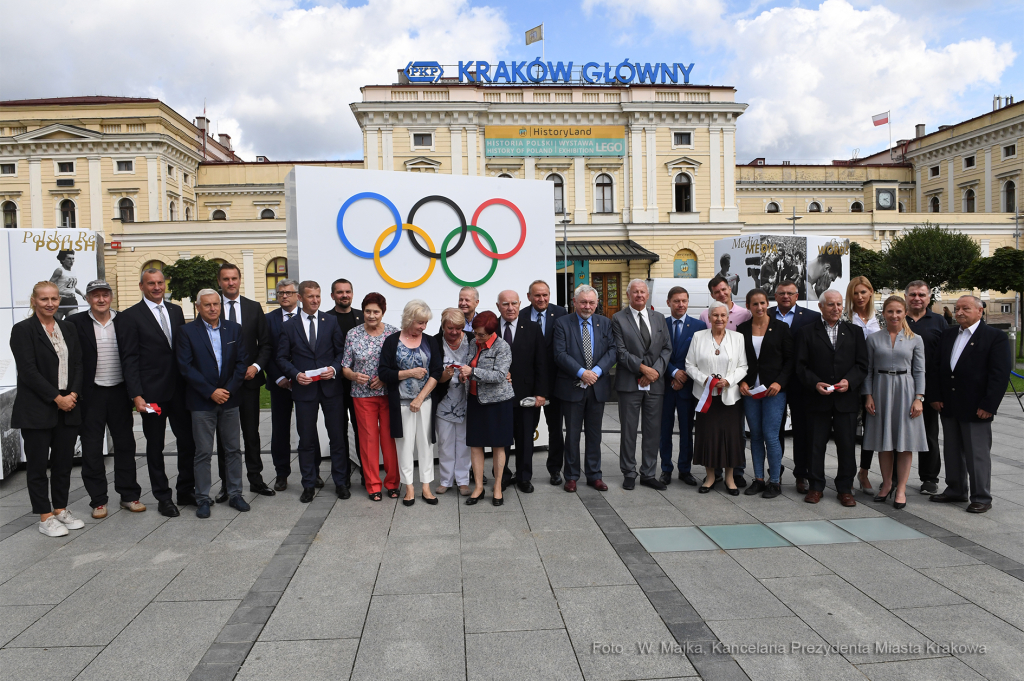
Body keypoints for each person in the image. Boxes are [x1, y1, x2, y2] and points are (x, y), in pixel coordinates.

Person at [117, 267, 196, 517]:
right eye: (151, 283)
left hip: (181, 391)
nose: (157, 287)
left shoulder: (175, 310)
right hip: (152, 394)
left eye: (160, 282)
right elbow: (129, 359)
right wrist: (136, 395)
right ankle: (163, 497)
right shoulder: (130, 316)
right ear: (142, 286)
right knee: (155, 446)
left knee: (188, 442)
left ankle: (185, 489)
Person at [10, 282, 86, 537]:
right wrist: (56, 397)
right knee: (38, 466)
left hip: (69, 406)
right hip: (38, 409)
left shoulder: (68, 327)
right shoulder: (22, 330)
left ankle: (61, 509)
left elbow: (78, 363)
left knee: (64, 464)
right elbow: (28, 371)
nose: (50, 303)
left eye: (54, 298)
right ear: (34, 301)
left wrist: (73, 394)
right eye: (44, 299)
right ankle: (44, 516)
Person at [927, 295, 1012, 513]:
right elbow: (936, 368)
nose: (960, 312)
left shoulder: (994, 337)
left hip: (977, 407)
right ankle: (956, 489)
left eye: (965, 308)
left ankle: (981, 496)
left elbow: (999, 375)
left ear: (980, 311)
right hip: (949, 404)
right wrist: (935, 396)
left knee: (977, 454)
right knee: (952, 451)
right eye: (957, 309)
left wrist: (989, 405)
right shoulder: (948, 335)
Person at [67, 280, 144, 518]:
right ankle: (98, 500)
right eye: (95, 295)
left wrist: (136, 393)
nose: (101, 299)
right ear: (88, 298)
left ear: (111, 297)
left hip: (119, 393)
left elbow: (133, 358)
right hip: (91, 395)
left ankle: (129, 495)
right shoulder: (74, 323)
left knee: (125, 446)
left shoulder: (124, 321)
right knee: (91, 449)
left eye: (105, 295)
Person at [177, 289, 250, 518]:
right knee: (203, 452)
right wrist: (210, 392)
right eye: (207, 305)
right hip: (201, 401)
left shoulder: (234, 329)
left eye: (216, 304)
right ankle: (203, 498)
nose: (212, 308)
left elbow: (242, 362)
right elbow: (185, 367)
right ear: (198, 307)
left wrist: (226, 390)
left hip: (229, 399)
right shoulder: (187, 332)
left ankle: (235, 493)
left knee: (233, 450)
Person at [276, 280, 350, 503]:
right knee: (306, 439)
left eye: (318, 296)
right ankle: (308, 484)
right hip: (304, 390)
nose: (315, 300)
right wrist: (295, 374)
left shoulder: (331, 322)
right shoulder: (289, 326)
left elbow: (341, 354)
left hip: (331, 389)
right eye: (310, 297)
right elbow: (281, 357)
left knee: (337, 437)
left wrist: (334, 369)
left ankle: (340, 482)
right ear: (300, 298)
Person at [795, 290, 868, 507]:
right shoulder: (807, 332)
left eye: (839, 304)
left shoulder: (854, 332)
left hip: (846, 400)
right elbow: (800, 366)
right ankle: (816, 486)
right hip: (817, 400)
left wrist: (850, 381)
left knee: (846, 445)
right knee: (816, 445)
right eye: (830, 305)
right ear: (821, 307)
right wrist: (814, 383)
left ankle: (845, 488)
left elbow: (862, 365)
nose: (836, 308)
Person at [214, 263, 274, 502]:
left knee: (251, 433)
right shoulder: (212, 306)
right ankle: (227, 485)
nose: (231, 283)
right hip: (222, 385)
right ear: (220, 282)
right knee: (224, 437)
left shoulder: (253, 307)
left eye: (234, 278)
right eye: (226, 279)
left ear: (240, 280)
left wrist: (256, 366)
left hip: (249, 382)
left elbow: (266, 344)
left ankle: (256, 480)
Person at [863, 296, 928, 510]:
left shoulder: (915, 339)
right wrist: (868, 395)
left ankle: (901, 488)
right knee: (884, 440)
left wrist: (919, 398)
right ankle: (886, 483)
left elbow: (919, 370)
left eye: (898, 311)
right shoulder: (873, 339)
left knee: (904, 441)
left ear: (905, 312)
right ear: (884, 313)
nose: (894, 315)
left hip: (905, 390)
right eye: (890, 311)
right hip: (880, 389)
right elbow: (869, 370)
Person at [553, 285, 616, 493]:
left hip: (597, 387)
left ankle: (594, 475)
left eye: (591, 302)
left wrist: (595, 372)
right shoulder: (562, 323)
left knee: (594, 434)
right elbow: (560, 354)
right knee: (571, 435)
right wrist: (582, 372)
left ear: (597, 304)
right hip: (572, 387)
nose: (587, 306)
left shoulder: (605, 323)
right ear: (574, 302)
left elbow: (612, 351)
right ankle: (571, 476)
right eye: (583, 302)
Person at [378, 300, 442, 506]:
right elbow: (383, 372)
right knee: (404, 445)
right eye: (420, 323)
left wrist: (420, 398)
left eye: (425, 323)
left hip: (424, 401)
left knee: (426, 444)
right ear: (409, 319)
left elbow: (437, 371)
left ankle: (426, 486)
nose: (423, 327)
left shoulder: (431, 341)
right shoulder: (392, 341)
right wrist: (409, 373)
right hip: (401, 404)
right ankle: (409, 487)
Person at [613, 279, 672, 490]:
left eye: (642, 292)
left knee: (653, 431)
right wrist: (643, 369)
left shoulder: (659, 318)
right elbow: (620, 352)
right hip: (630, 383)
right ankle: (629, 472)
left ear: (648, 295)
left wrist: (654, 371)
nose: (639, 295)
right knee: (628, 431)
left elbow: (667, 348)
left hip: (655, 384)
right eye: (635, 292)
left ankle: (648, 473)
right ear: (629, 295)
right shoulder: (618, 318)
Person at [685, 300, 748, 495]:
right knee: (707, 436)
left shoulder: (738, 338)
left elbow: (743, 366)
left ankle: (729, 478)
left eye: (723, 315)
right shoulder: (698, 337)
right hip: (706, 397)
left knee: (731, 437)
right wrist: (705, 380)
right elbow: (689, 365)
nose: (719, 319)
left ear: (728, 318)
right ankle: (710, 477)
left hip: (730, 398)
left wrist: (729, 380)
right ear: (709, 317)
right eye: (715, 315)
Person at [342, 293, 400, 501]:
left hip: (387, 394)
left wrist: (385, 379)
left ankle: (393, 483)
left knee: (389, 440)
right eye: (368, 311)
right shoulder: (353, 334)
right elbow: (345, 367)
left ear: (383, 312)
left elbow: (399, 365)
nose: (372, 315)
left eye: (376, 311)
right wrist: (354, 376)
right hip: (362, 395)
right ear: (363, 312)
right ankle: (372, 484)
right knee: (368, 441)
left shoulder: (393, 333)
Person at [737, 289, 794, 498]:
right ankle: (759, 479)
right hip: (751, 391)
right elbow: (737, 360)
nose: (759, 308)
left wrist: (780, 382)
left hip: (773, 391)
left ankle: (775, 482)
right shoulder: (742, 329)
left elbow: (790, 360)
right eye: (755, 304)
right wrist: (741, 381)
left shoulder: (781, 328)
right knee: (756, 436)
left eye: (762, 303)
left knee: (771, 436)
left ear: (767, 303)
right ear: (748, 306)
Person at [768, 279, 820, 493]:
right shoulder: (766, 314)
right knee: (775, 430)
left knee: (802, 430)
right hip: (774, 383)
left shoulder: (811, 317)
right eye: (781, 293)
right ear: (775, 295)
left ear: (797, 296)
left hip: (801, 384)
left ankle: (802, 474)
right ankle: (775, 472)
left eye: (790, 293)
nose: (786, 296)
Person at [461, 311, 515, 506]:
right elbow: (468, 365)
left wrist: (473, 372)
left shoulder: (502, 347)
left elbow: (500, 375)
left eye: (481, 334)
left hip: (498, 402)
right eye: (475, 333)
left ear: (492, 332)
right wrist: (463, 375)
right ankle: (478, 487)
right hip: (475, 400)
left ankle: (498, 486)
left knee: (498, 445)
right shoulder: (472, 343)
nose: (477, 337)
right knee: (475, 445)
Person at [496, 289, 548, 493]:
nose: (510, 308)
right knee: (503, 438)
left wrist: (541, 393)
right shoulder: (492, 328)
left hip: (527, 393)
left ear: (519, 305)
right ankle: (503, 476)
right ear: (498, 306)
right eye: (506, 304)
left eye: (514, 303)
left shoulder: (533, 328)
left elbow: (541, 362)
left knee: (526, 438)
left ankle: (524, 477)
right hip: (498, 394)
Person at [264, 279, 313, 491]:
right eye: (280, 293)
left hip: (306, 382)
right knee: (281, 430)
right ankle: (281, 473)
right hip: (280, 383)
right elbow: (267, 352)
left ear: (298, 296)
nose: (284, 296)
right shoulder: (267, 320)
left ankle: (312, 472)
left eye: (289, 293)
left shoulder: (308, 316)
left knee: (307, 429)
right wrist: (279, 378)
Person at [521, 280, 568, 485]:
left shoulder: (561, 314)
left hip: (556, 383)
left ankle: (555, 469)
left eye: (545, 295)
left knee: (555, 429)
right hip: (528, 384)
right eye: (537, 295)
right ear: (529, 296)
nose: (542, 299)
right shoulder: (520, 315)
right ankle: (524, 473)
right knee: (525, 430)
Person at [904, 280, 945, 495]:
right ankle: (895, 478)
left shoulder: (939, 322)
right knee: (899, 433)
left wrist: (939, 392)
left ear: (929, 297)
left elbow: (946, 359)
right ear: (906, 297)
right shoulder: (897, 318)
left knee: (929, 434)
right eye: (912, 295)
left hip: (930, 388)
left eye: (921, 294)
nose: (917, 298)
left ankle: (929, 478)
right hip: (900, 386)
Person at [659, 286, 702, 486]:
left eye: (684, 300)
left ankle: (685, 469)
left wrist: (684, 376)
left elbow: (700, 356)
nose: (681, 304)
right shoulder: (660, 324)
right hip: (665, 386)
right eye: (676, 301)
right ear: (669, 302)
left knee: (686, 430)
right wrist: (674, 373)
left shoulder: (699, 326)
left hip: (687, 387)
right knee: (665, 430)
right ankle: (666, 469)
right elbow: (656, 354)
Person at [325, 278, 365, 487]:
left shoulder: (362, 317)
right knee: (338, 432)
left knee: (362, 431)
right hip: (335, 385)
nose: (344, 295)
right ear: (332, 296)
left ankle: (367, 474)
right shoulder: (325, 319)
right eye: (339, 292)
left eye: (348, 291)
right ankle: (342, 479)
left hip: (359, 386)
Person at [845, 275, 882, 495]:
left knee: (871, 430)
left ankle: (864, 472)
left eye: (863, 292)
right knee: (848, 431)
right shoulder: (845, 317)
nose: (860, 297)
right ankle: (847, 474)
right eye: (856, 293)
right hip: (851, 379)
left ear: (870, 292)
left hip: (877, 381)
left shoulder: (882, 319)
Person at [432, 308, 472, 495]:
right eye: (450, 328)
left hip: (467, 398)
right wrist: (443, 376)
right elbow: (431, 374)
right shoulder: (434, 342)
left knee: (464, 442)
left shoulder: (471, 339)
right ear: (442, 325)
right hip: (444, 401)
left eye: (458, 328)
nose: (454, 332)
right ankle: (446, 480)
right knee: (445, 442)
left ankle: (463, 480)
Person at [49, 249, 85, 320]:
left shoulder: (73, 271)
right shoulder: (59, 270)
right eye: (69, 259)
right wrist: (61, 292)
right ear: (63, 260)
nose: (71, 261)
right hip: (61, 300)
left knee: (73, 321)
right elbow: (49, 286)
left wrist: (82, 294)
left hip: (71, 300)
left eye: (73, 259)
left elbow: (72, 287)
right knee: (56, 323)